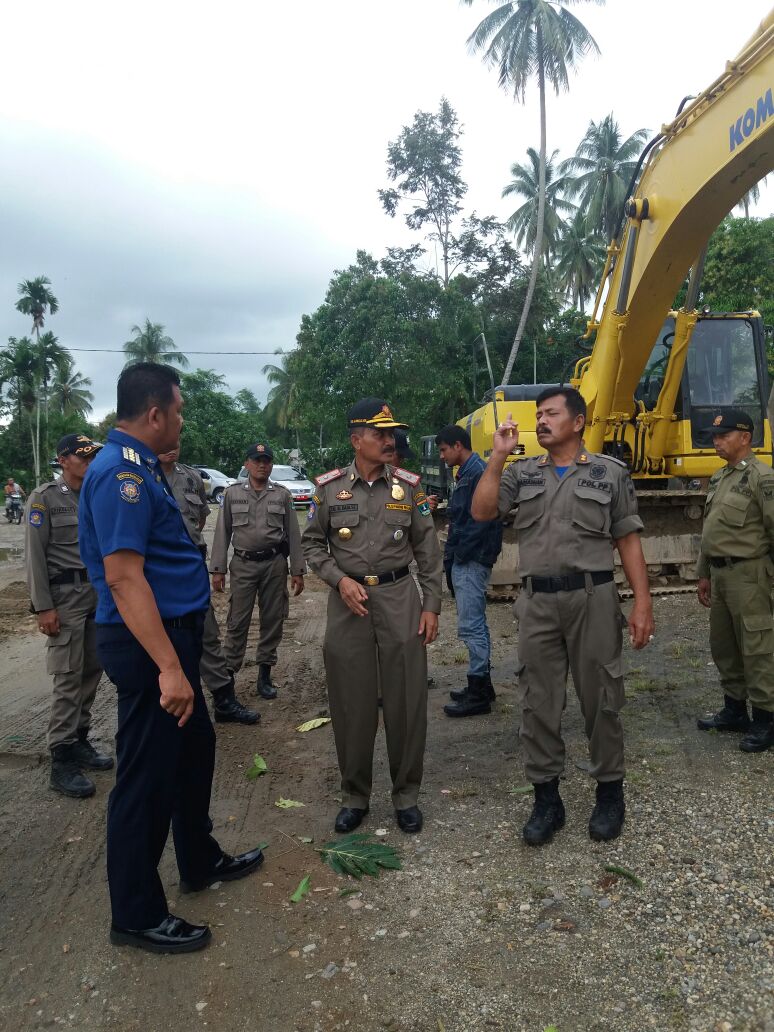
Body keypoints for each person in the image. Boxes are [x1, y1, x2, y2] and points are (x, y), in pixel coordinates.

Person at [78, 362, 263, 955]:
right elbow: (125, 578)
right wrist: (170, 669)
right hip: (148, 645)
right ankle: (134, 913)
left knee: (194, 750)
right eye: (178, 410)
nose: (181, 419)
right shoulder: (120, 475)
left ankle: (198, 857)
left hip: (170, 636)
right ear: (154, 414)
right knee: (144, 781)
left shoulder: (143, 469)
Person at [471, 387, 654, 845]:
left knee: (602, 700)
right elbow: (482, 511)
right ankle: (546, 800)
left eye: (551, 413)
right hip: (537, 603)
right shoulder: (520, 473)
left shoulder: (609, 474)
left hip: (593, 599)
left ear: (578, 422)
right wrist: (496, 458)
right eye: (538, 415)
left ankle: (610, 794)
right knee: (538, 702)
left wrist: (642, 603)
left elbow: (628, 539)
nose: (541, 421)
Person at [302, 397, 442, 835]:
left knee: (406, 701)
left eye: (391, 433)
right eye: (379, 434)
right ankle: (355, 796)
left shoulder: (409, 487)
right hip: (349, 604)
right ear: (355, 439)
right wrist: (338, 579)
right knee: (351, 703)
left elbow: (428, 550)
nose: (389, 440)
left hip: (400, 598)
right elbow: (311, 545)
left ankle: (406, 796)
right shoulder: (327, 488)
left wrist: (432, 605)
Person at [25, 434, 113, 798]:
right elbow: (34, 556)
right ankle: (61, 757)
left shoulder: (95, 494)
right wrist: (44, 607)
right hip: (64, 597)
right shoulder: (44, 498)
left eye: (93, 456)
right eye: (83, 456)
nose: (90, 462)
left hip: (95, 593)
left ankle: (79, 737)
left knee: (92, 669)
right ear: (64, 460)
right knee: (67, 675)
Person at [157, 446, 259, 725]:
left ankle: (224, 699)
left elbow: (200, 518)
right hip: (157, 572)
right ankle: (167, 704)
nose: (173, 446)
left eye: (178, 440)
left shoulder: (191, 477)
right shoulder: (140, 476)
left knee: (207, 631)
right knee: (161, 636)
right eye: (168, 440)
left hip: (191, 567)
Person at [695, 409, 774, 752]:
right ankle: (734, 710)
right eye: (715, 436)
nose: (717, 441)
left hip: (749, 573)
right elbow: (710, 531)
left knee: (757, 648)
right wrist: (703, 573)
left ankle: (766, 720)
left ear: (745, 437)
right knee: (724, 646)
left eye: (724, 435)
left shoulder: (763, 477)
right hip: (721, 574)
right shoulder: (719, 477)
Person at [210, 443, 305, 699]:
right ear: (247, 463)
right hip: (242, 564)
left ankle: (264, 675)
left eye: (266, 460)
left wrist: (297, 569)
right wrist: (217, 569)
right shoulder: (232, 494)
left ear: (271, 464)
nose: (262, 464)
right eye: (256, 460)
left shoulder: (282, 495)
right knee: (237, 621)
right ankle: (229, 675)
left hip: (274, 564)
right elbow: (222, 532)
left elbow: (293, 534)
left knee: (272, 620)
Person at [429, 424, 503, 719]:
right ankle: (482, 685)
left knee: (471, 625)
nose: (443, 456)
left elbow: (481, 521)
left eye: (444, 450)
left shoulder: (477, 473)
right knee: (476, 623)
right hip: (469, 557)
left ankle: (478, 694)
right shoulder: (469, 472)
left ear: (458, 446)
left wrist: (460, 554)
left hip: (471, 559)